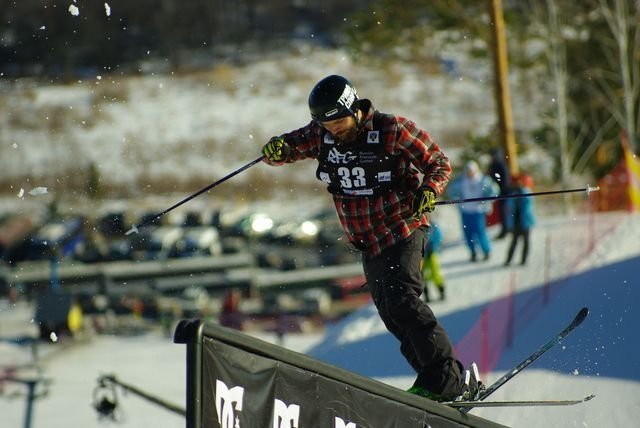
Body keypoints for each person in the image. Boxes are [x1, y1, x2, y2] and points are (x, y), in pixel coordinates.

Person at [261, 75, 472, 402]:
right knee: (391, 313)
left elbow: (438, 163)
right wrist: (277, 149)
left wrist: (429, 190)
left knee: (404, 301)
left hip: (402, 229)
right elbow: (290, 147)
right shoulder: (323, 135)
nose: (332, 129)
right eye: (324, 124)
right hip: (367, 242)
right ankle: (442, 382)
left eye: (338, 121)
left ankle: (444, 381)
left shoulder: (392, 129)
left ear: (354, 109)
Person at [447, 160, 499, 262]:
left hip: (478, 212)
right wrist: (457, 199)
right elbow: (451, 191)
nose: (470, 173)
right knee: (468, 234)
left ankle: (486, 251)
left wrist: (486, 201)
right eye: (468, 170)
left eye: (472, 170)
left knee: (480, 232)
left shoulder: (483, 180)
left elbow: (495, 191)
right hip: (465, 211)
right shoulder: (461, 181)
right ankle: (473, 252)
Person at [504, 174, 536, 266]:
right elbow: (508, 207)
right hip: (516, 222)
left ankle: (524, 260)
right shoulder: (513, 194)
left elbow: (528, 204)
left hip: (525, 222)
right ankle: (508, 260)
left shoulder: (526, 192)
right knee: (514, 242)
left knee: (526, 242)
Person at [487, 148, 510, 239]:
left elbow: (504, 180)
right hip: (497, 192)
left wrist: (500, 190)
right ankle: (505, 229)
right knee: (501, 212)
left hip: (503, 192)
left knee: (503, 212)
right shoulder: (493, 164)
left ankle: (505, 230)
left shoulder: (501, 164)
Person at [422, 221, 445, 301]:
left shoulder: (432, 226)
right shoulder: (416, 224)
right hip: (421, 255)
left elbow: (438, 236)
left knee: (435, 272)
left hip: (432, 253)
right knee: (421, 275)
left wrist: (434, 246)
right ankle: (426, 295)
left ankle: (441, 291)